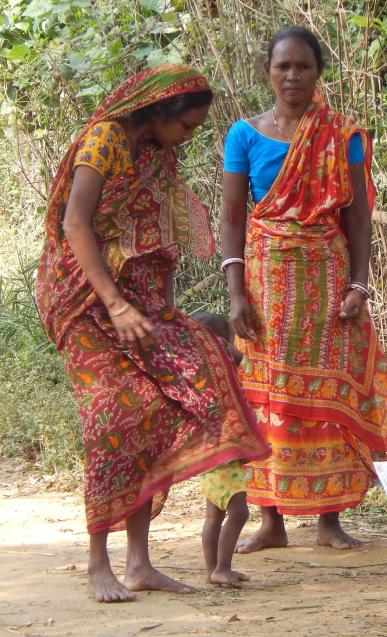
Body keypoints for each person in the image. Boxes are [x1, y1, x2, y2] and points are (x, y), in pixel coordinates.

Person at [34, 65, 270, 602]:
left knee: (161, 405)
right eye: (186, 126)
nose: (189, 137)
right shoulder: (104, 140)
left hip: (139, 301)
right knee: (114, 413)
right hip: (83, 300)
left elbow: (152, 234)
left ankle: (139, 563)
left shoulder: (158, 155)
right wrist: (115, 305)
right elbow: (76, 225)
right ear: (158, 112)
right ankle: (100, 564)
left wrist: (151, 305)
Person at [220, 26, 387, 551]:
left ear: (318, 72)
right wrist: (235, 292)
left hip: (327, 281)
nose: (292, 75)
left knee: (330, 388)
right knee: (269, 396)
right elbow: (232, 214)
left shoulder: (343, 135)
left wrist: (359, 284)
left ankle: (329, 519)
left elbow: (359, 218)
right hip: (267, 282)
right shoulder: (243, 134)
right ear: (268, 73)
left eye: (303, 66)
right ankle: (270, 519)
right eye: (283, 66)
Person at [191, 312, 250, 588]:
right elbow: (239, 359)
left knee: (214, 514)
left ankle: (212, 569)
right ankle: (222, 568)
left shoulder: (197, 374)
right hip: (223, 454)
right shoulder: (216, 372)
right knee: (239, 512)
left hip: (210, 453)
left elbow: (237, 358)